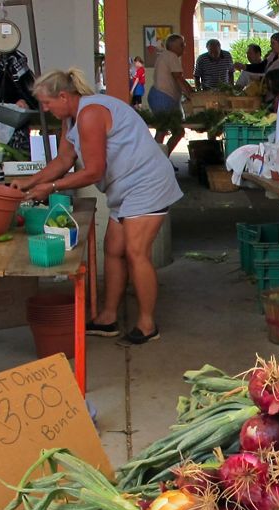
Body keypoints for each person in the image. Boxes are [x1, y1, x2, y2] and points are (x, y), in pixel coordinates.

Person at [12, 69, 182, 347]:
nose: (44, 109)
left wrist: (51, 188)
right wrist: (28, 183)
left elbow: (93, 171)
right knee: (113, 250)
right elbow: (63, 160)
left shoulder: (91, 114)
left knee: (136, 252)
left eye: (46, 103)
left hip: (147, 182)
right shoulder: (72, 116)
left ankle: (147, 324)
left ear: (64, 96)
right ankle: (107, 318)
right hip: (125, 187)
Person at [149, 34, 195, 157]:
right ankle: (157, 161)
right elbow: (178, 78)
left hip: (164, 96)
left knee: (175, 131)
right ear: (173, 46)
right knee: (164, 129)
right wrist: (191, 94)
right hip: (163, 96)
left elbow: (178, 78)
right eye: (181, 44)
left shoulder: (166, 56)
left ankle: (162, 159)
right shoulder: (171, 56)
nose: (184, 47)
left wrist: (190, 91)